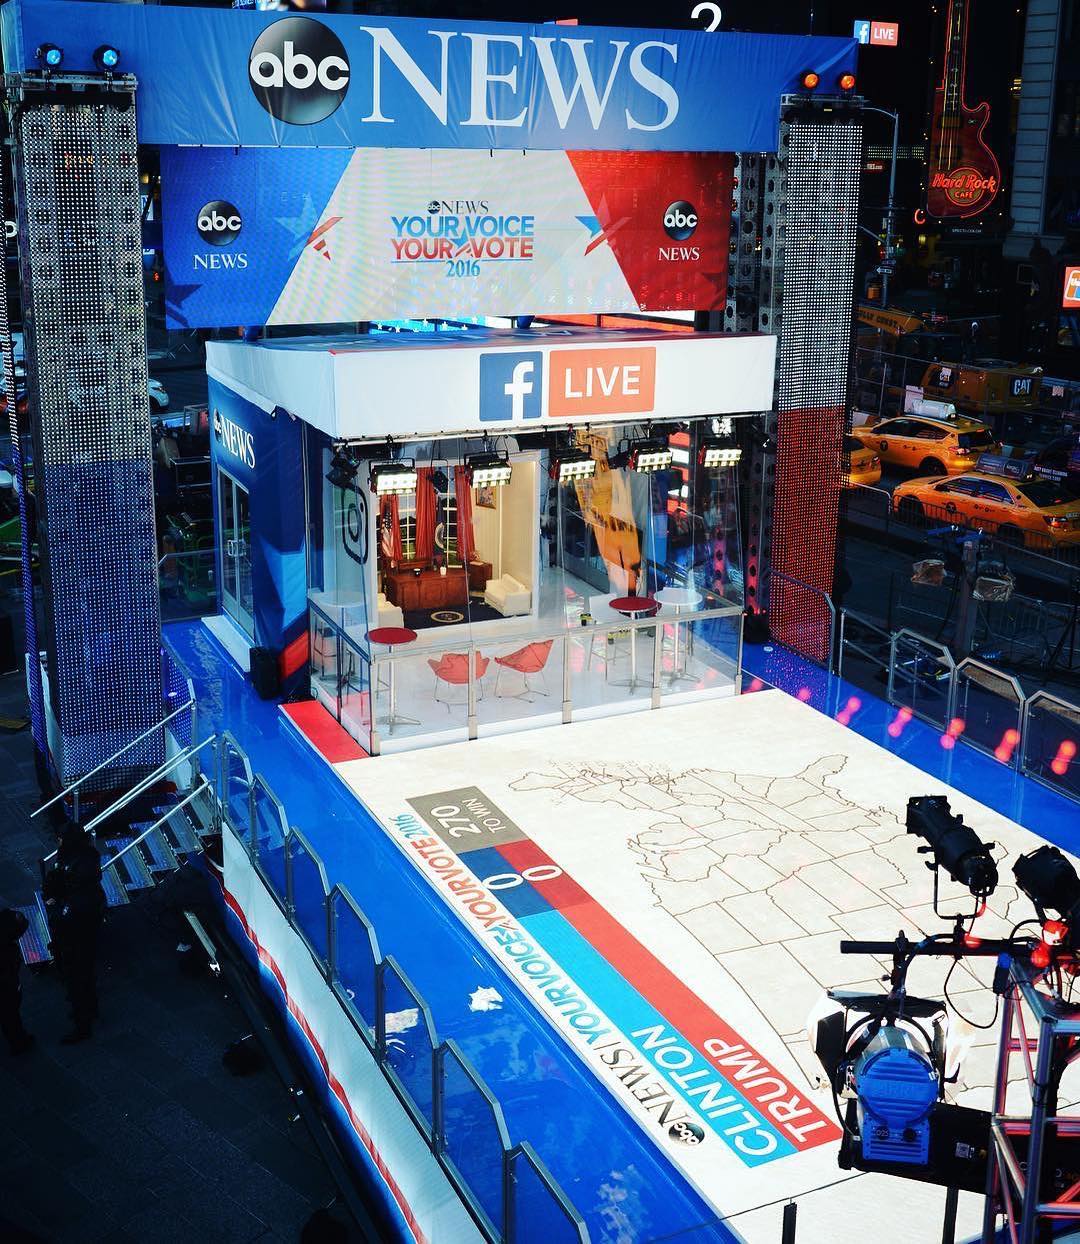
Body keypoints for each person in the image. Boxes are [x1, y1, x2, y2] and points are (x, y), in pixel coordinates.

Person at [42, 825, 106, 1043]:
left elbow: (67, 914)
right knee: (86, 973)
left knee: (77, 978)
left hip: (74, 934)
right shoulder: (87, 861)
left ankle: (82, 1024)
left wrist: (54, 907)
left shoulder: (76, 876)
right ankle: (91, 1008)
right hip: (86, 929)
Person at [0, 907, 33, 1055]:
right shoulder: (6, 949)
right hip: (6, 985)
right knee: (9, 1014)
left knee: (10, 1014)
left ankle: (19, 1039)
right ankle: (18, 1043)